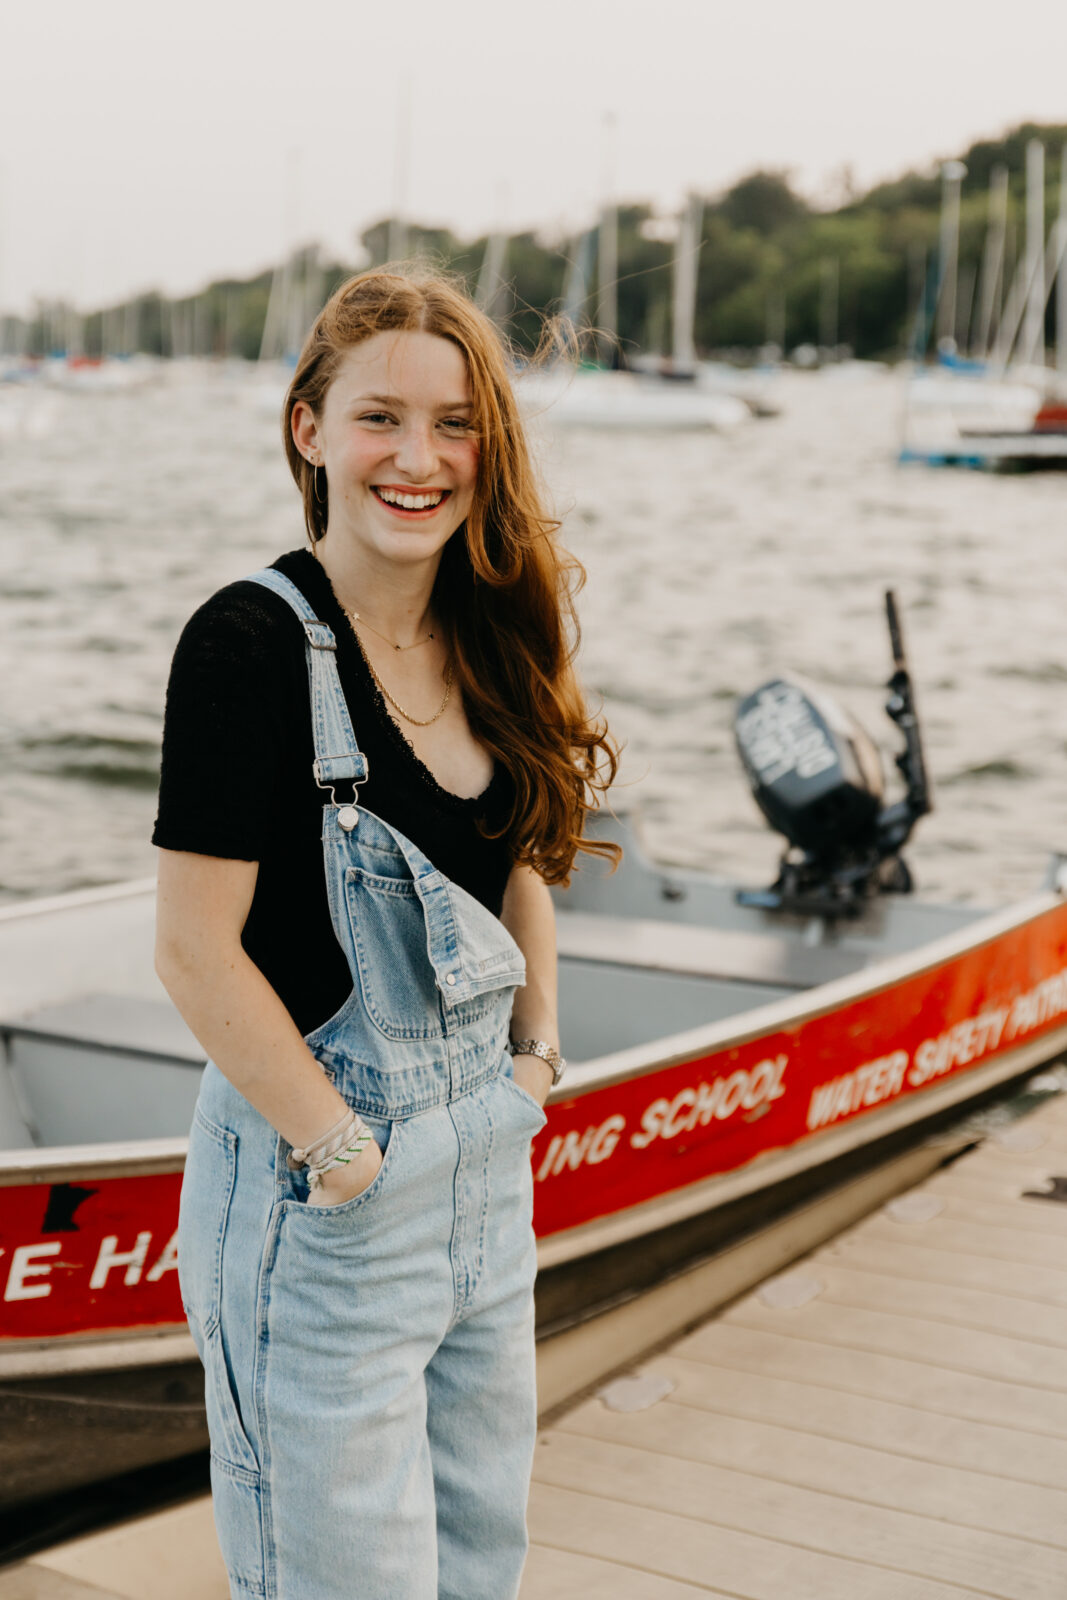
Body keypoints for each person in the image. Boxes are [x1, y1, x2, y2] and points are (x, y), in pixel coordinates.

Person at [152, 265, 620, 1600]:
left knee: (480, 1566)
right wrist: (341, 1152)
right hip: (329, 1200)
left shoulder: (483, 632)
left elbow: (524, 861)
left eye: (457, 425)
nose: (421, 459)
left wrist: (536, 1054)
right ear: (310, 429)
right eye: (381, 419)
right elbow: (193, 948)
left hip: (488, 1181)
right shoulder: (245, 642)